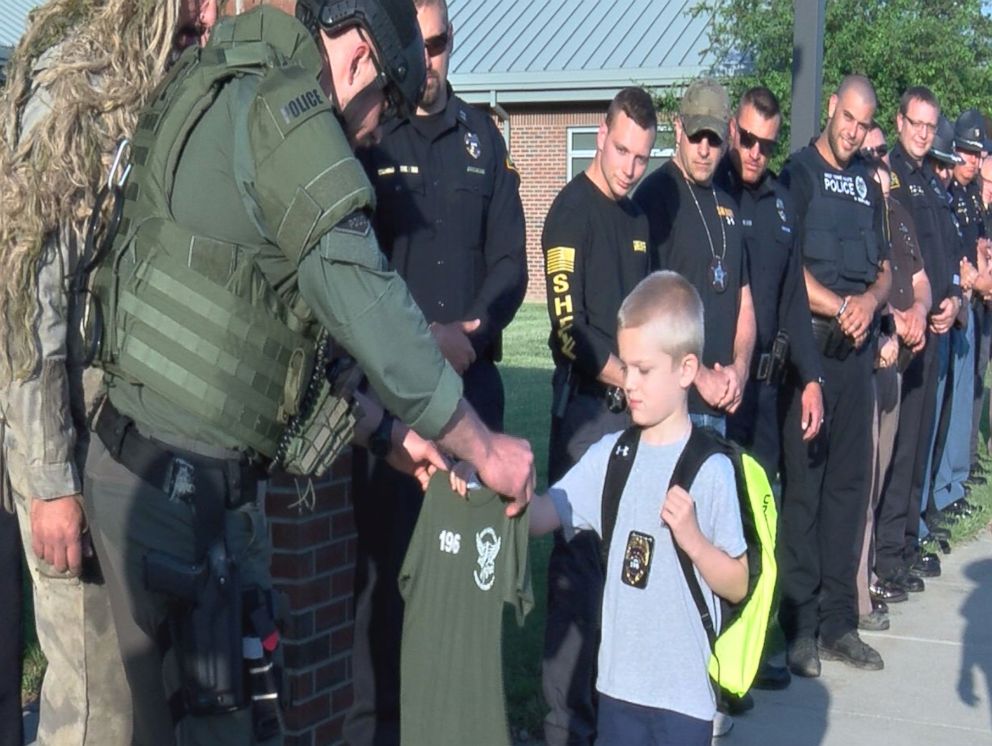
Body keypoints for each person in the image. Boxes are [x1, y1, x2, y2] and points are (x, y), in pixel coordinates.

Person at [80, 2, 535, 744]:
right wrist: (484, 446)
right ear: (357, 57)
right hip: (172, 495)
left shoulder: (227, 79)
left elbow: (273, 338)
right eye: (384, 99)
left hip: (162, 478)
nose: (379, 127)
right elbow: (370, 304)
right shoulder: (286, 115)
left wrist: (391, 436)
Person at [0, 1, 218, 743]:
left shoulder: (163, 97)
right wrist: (52, 480)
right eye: (198, 0)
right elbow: (32, 301)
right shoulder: (76, 102)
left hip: (139, 452)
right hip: (72, 450)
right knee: (95, 712)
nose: (212, 14)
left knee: (146, 702)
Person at [345, 0, 527, 740]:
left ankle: (458, 718)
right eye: (416, 47)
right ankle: (381, 723)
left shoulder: (485, 139)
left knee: (469, 571)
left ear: (453, 43)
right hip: (393, 404)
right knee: (384, 578)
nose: (429, 60)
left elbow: (512, 263)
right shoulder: (371, 138)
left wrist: (472, 334)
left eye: (439, 44)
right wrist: (423, 343)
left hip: (471, 390)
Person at [481, 270, 746, 745]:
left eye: (645, 370)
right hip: (617, 692)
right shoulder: (611, 456)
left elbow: (736, 581)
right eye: (626, 368)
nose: (631, 384)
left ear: (687, 370)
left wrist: (694, 542)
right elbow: (547, 514)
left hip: (684, 701)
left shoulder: (710, 469)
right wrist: (501, 486)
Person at [540, 86, 655, 746]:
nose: (629, 167)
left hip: (633, 420)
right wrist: (626, 380)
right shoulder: (570, 211)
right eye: (620, 150)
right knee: (578, 579)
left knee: (625, 575)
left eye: (641, 156)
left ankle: (608, 719)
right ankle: (563, 729)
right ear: (599, 132)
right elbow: (566, 329)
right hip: (587, 418)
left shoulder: (637, 221)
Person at [777, 75, 891, 676]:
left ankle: (838, 625)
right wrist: (837, 304)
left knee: (849, 492)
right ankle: (798, 628)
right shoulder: (797, 176)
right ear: (830, 109)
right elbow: (785, 268)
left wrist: (871, 302)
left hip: (857, 360)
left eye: (861, 122)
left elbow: (886, 271)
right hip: (812, 356)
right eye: (845, 117)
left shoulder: (870, 187)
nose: (851, 130)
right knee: (805, 493)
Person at [714, 86, 824, 695]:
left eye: (766, 143)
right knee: (721, 525)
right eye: (747, 138)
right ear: (733, 129)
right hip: (722, 392)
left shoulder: (782, 203)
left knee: (762, 525)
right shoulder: (715, 194)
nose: (754, 152)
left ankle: (750, 656)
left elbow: (793, 303)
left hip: (771, 391)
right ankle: (722, 663)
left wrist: (811, 378)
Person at [634, 78, 757, 437]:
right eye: (695, 136)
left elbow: (743, 298)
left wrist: (740, 369)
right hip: (674, 406)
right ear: (677, 128)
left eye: (714, 139)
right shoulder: (656, 198)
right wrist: (700, 376)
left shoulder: (728, 206)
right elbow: (647, 311)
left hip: (722, 404)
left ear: (728, 135)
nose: (704, 149)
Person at [873, 87, 958, 603]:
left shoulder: (930, 180)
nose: (924, 133)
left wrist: (949, 302)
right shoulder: (893, 176)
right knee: (898, 450)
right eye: (917, 123)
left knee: (919, 442)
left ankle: (904, 546)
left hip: (933, 323)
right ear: (899, 121)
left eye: (931, 125)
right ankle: (887, 553)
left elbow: (940, 257)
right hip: (901, 333)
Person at [858, 154, 930, 632]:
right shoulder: (862, 221)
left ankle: (870, 576)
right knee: (862, 484)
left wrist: (917, 313)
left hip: (898, 359)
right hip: (871, 356)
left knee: (881, 478)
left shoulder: (898, 216)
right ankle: (858, 591)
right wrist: (888, 327)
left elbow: (917, 280)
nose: (884, 196)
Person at [950, 110, 992, 494]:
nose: (973, 161)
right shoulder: (952, 193)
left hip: (973, 304)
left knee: (969, 386)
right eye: (968, 153)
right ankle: (947, 482)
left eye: (978, 155)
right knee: (951, 397)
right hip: (955, 303)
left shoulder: (969, 199)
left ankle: (956, 477)